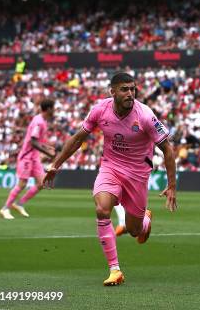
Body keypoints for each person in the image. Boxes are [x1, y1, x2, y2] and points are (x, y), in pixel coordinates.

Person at [43, 72, 177, 286]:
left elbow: (168, 150)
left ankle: (144, 221)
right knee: (102, 208)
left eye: (132, 89)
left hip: (137, 175)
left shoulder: (145, 115)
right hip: (111, 168)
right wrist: (55, 165)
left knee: (134, 230)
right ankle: (115, 270)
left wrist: (172, 185)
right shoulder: (100, 110)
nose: (130, 94)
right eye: (124, 89)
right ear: (112, 91)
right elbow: (78, 139)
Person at [0, 99, 56, 219]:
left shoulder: (42, 121)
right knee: (22, 184)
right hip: (27, 157)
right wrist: (48, 153)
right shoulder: (39, 122)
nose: (54, 110)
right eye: (53, 108)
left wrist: (47, 147)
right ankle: (5, 208)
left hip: (34, 157)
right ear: (49, 109)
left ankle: (19, 204)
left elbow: (38, 141)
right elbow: (33, 141)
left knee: (42, 183)